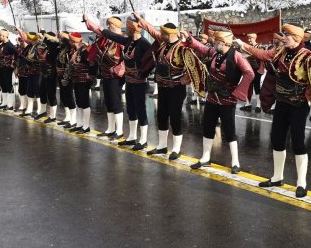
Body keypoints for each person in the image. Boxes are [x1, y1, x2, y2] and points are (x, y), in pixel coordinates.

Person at [239, 23, 311, 198]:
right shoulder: (280, 52)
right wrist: (242, 45)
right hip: (281, 102)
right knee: (276, 139)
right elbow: (263, 54)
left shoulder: (308, 56)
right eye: (283, 35)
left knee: (298, 143)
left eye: (287, 36)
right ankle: (277, 177)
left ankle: (301, 183)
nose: (283, 38)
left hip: (298, 105)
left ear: (297, 38)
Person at [183, 28, 254, 174]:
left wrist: (238, 92)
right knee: (207, 126)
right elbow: (201, 48)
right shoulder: (215, 53)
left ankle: (235, 161)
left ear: (223, 42)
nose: (214, 43)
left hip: (227, 99)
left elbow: (249, 73)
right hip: (212, 97)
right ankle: (205, 157)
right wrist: (189, 38)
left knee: (229, 130)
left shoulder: (237, 56)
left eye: (216, 41)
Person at [136, 14, 205, 160]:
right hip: (162, 86)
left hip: (176, 88)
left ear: (169, 35)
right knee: (161, 116)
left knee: (174, 117)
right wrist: (140, 20)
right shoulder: (163, 44)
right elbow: (152, 31)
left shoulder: (182, 48)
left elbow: (193, 66)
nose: (160, 35)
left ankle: (176, 148)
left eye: (163, 33)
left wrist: (185, 80)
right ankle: (161, 146)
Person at [96, 16, 153, 150]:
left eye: (128, 26)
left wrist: (144, 72)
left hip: (139, 81)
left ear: (133, 28)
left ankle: (143, 139)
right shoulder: (128, 41)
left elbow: (153, 59)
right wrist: (100, 29)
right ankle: (132, 136)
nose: (125, 28)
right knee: (131, 109)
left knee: (140, 109)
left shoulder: (144, 43)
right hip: (129, 80)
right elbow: (113, 36)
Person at [85, 16, 126, 139]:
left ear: (116, 26)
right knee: (108, 102)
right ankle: (110, 129)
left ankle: (119, 131)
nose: (108, 27)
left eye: (110, 25)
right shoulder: (107, 39)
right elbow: (97, 29)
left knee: (115, 102)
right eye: (107, 25)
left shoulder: (122, 40)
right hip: (106, 75)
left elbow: (126, 59)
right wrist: (87, 20)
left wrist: (118, 69)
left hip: (116, 76)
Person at [68, 32, 93, 134]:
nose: (70, 42)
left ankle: (86, 126)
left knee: (84, 102)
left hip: (84, 79)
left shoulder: (85, 49)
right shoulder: (76, 50)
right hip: (77, 78)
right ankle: (79, 124)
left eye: (71, 40)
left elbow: (91, 62)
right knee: (79, 102)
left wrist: (90, 74)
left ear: (75, 41)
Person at [57, 32, 78, 129]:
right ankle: (67, 117)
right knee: (64, 96)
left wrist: (67, 76)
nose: (60, 40)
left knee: (69, 96)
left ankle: (73, 119)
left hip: (69, 75)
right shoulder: (61, 49)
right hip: (61, 74)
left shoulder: (70, 50)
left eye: (62, 39)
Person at [38, 32, 60, 122]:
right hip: (44, 73)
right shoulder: (47, 48)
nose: (45, 41)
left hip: (51, 74)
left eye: (47, 39)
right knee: (42, 91)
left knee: (51, 94)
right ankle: (43, 111)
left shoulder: (55, 48)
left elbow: (55, 62)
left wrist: (53, 38)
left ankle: (52, 115)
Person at [240, 33, 264, 113]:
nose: (249, 40)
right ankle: (247, 104)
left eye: (251, 38)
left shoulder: (260, 47)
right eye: (248, 38)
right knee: (247, 86)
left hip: (256, 69)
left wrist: (260, 70)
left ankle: (258, 105)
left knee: (256, 86)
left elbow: (262, 60)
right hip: (248, 69)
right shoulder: (247, 48)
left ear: (254, 38)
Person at [0, 29, 18, 111]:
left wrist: (13, 65)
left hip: (8, 68)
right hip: (1, 67)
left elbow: (16, 54)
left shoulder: (10, 45)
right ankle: (4, 102)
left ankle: (10, 104)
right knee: (3, 84)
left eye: (0, 35)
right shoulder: (2, 45)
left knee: (9, 85)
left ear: (4, 36)